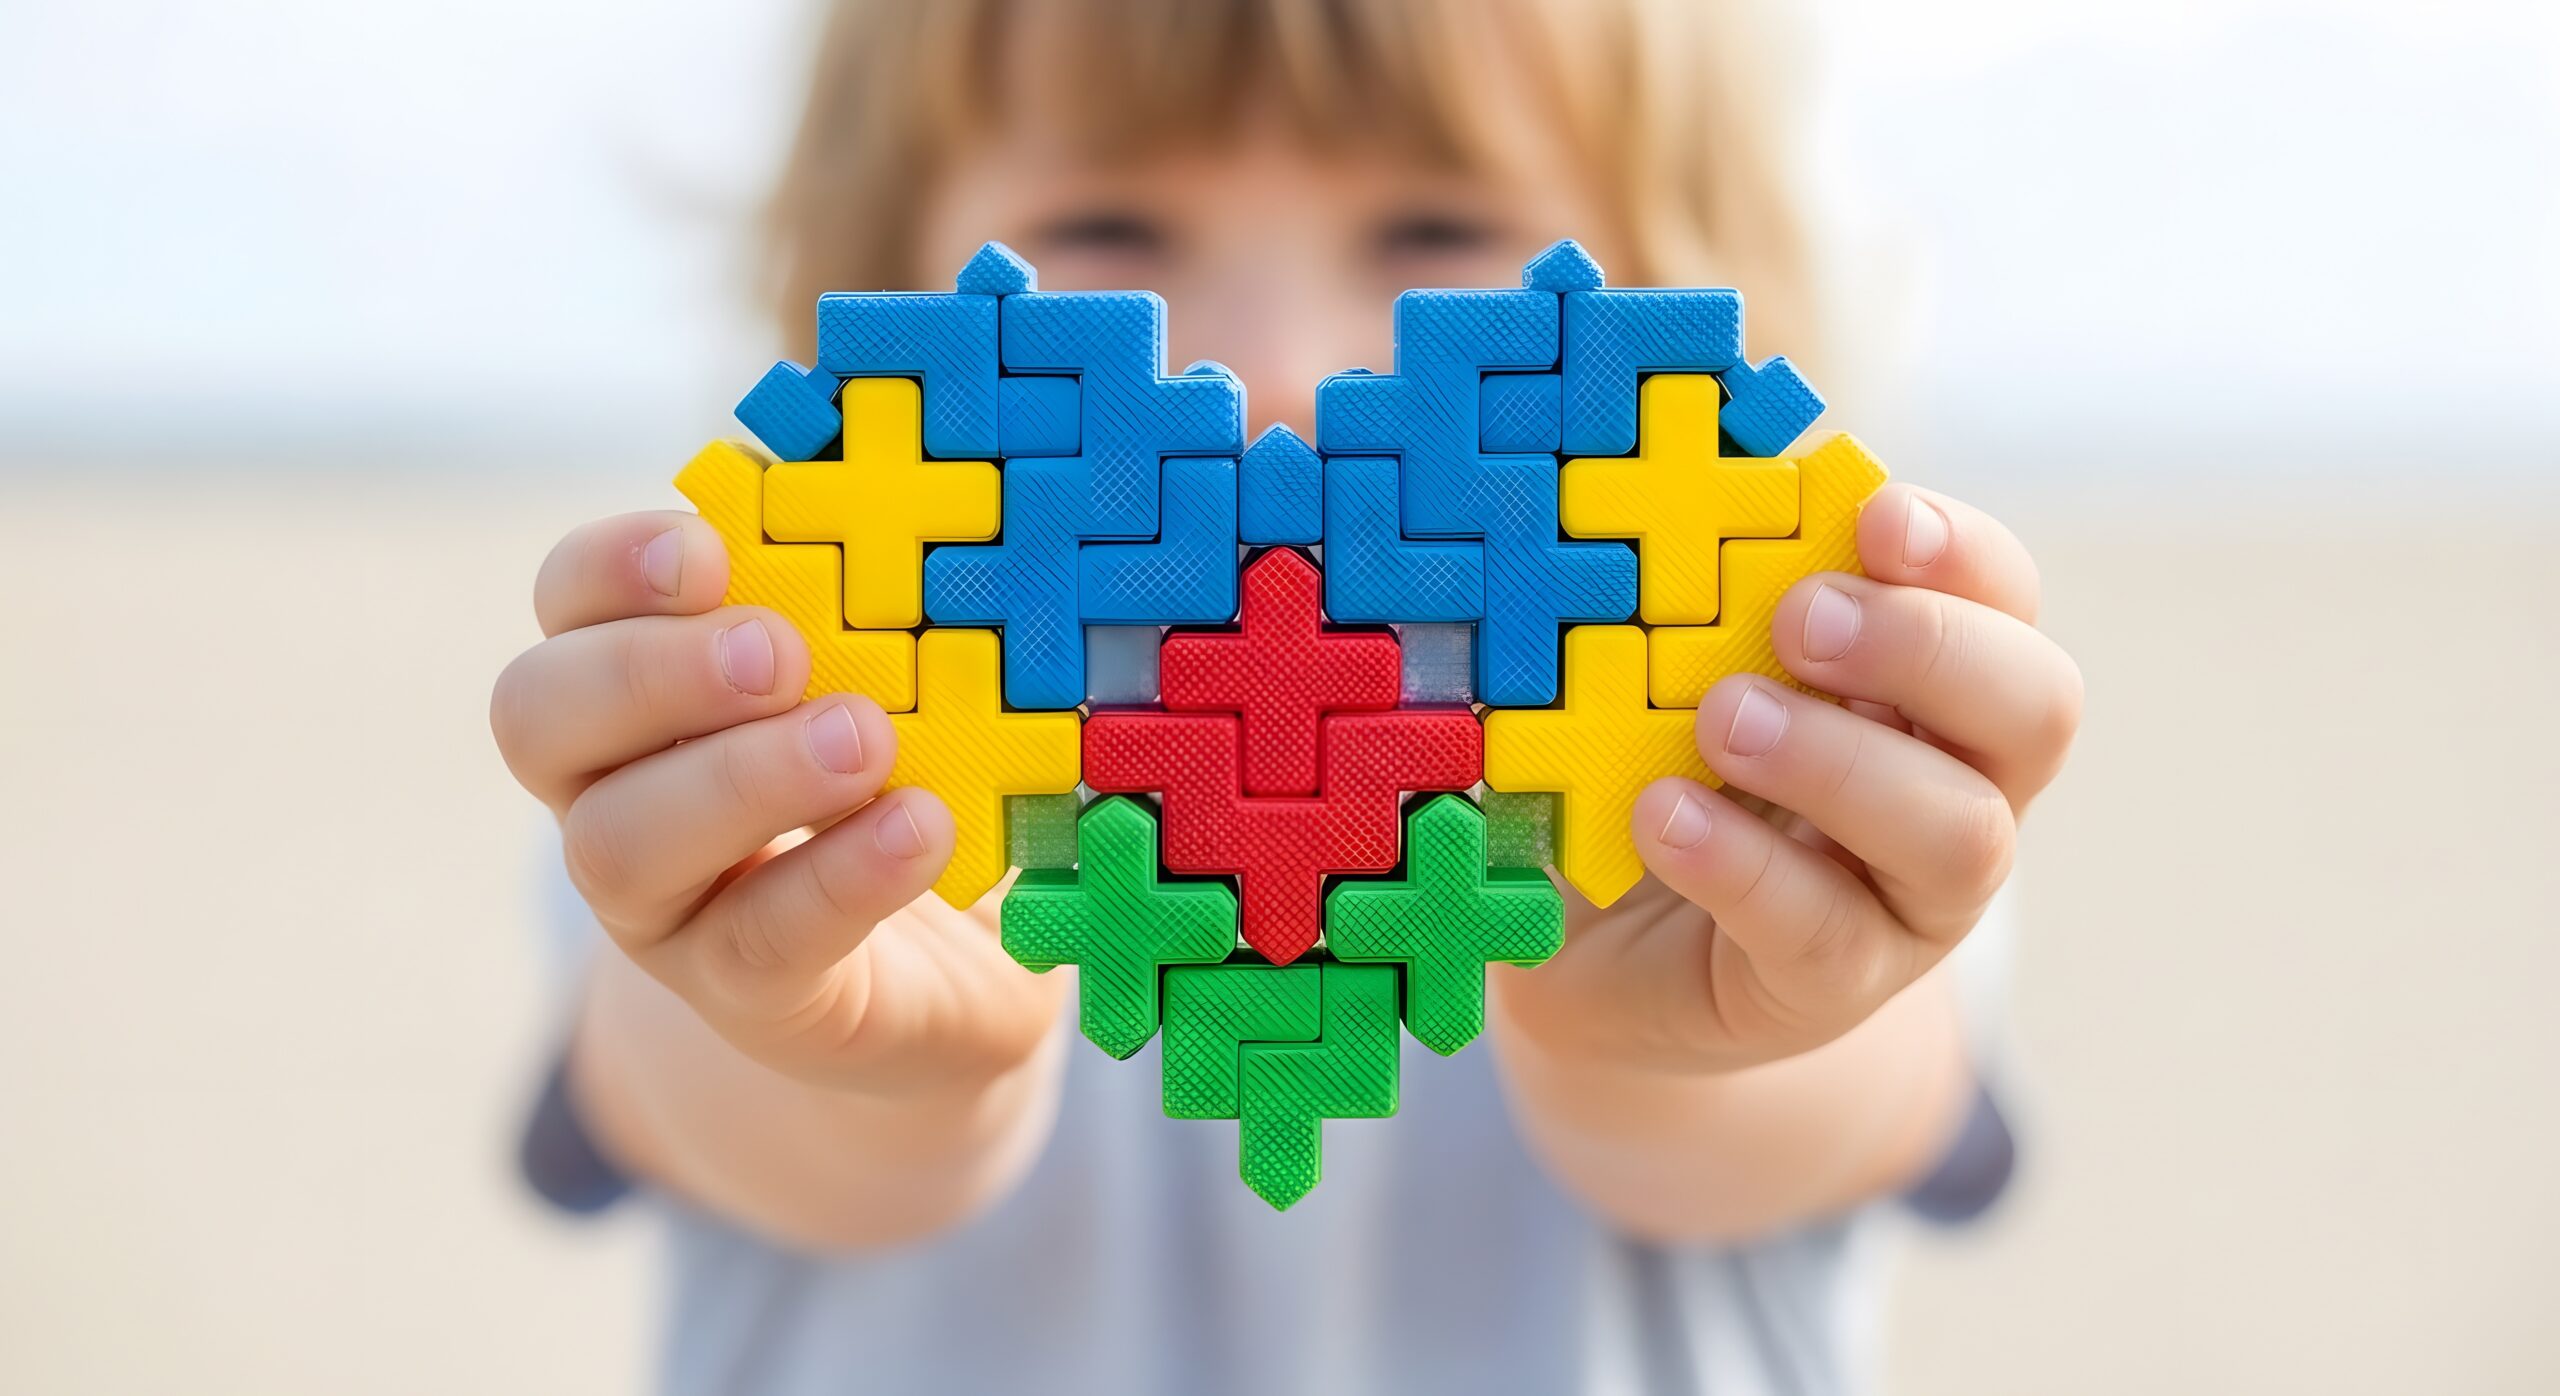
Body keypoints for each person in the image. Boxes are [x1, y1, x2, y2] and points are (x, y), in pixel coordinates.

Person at [489, 0, 2084, 1389]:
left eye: (1435, 239)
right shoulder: (787, 747)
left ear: (1675, 325)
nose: (1274, 372)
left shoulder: (1775, 761)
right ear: (890, 300)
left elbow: (1834, 1100)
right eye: (1111, 233)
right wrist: (838, 1038)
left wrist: (1683, 1040)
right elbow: (712, 1097)